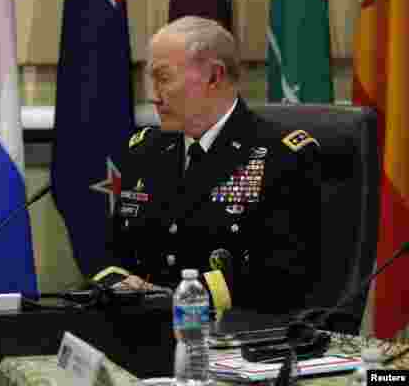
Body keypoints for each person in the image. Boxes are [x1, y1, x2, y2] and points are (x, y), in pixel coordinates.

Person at [92, 16, 322, 315]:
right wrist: (119, 284)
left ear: (214, 76)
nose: (153, 96)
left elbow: (284, 272)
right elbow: (112, 251)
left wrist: (177, 299)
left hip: (235, 335)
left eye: (163, 78)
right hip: (144, 330)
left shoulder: (281, 156)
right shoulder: (146, 151)